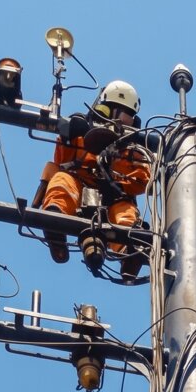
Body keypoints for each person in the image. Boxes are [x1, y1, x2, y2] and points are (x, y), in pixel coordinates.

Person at [37, 80, 151, 280]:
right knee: (61, 180)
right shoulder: (83, 132)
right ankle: (56, 223)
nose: (124, 122)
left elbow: (142, 180)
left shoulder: (134, 149)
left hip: (116, 195)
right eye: (121, 114)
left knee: (126, 214)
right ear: (106, 109)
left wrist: (116, 186)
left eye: (129, 117)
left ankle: (129, 251)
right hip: (78, 182)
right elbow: (61, 159)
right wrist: (68, 131)